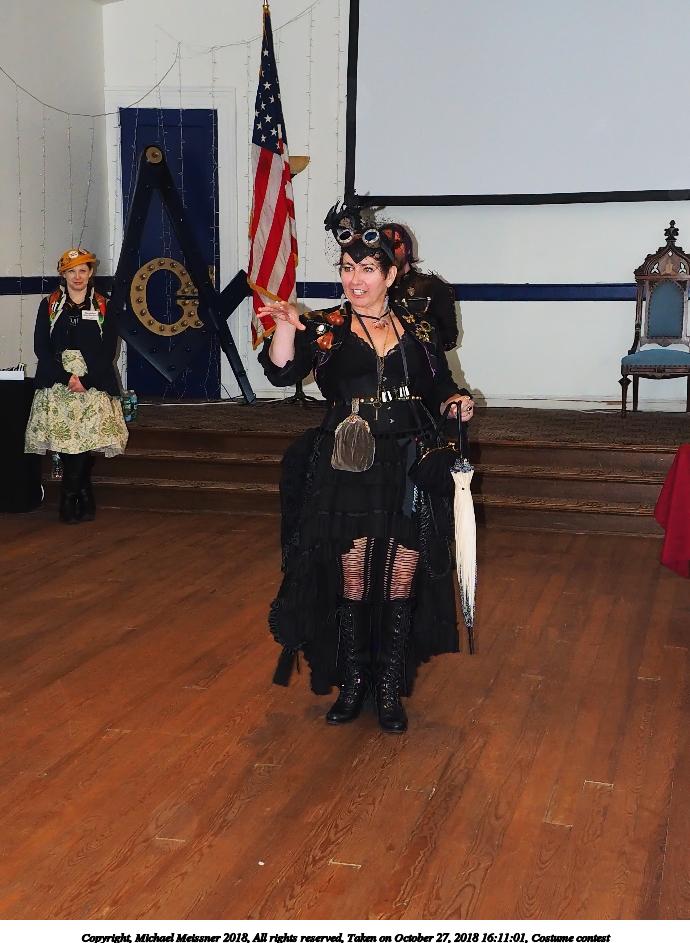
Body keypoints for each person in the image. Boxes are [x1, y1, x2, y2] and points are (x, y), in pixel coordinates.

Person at [257, 221, 474, 733]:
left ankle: (389, 685)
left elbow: (441, 386)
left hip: (408, 459)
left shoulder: (419, 328)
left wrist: (456, 402)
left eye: (368, 269)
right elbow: (282, 370)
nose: (355, 279)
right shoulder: (327, 326)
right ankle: (353, 683)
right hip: (348, 462)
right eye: (348, 268)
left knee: (401, 571)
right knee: (352, 571)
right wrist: (286, 324)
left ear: (391, 276)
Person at [25, 247, 128, 523]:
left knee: (84, 439)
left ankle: (70, 496)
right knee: (66, 440)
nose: (77, 276)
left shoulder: (104, 306)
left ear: (91, 273)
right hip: (57, 382)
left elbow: (108, 350)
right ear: (64, 275)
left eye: (83, 270)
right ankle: (82, 492)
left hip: (93, 383)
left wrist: (86, 380)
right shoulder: (49, 305)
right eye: (71, 271)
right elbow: (41, 348)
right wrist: (66, 378)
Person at [381, 223, 459, 352]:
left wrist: (416, 336)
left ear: (407, 247)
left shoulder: (433, 286)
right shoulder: (372, 287)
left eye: (395, 245)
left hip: (419, 361)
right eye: (383, 246)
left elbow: (449, 339)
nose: (389, 251)